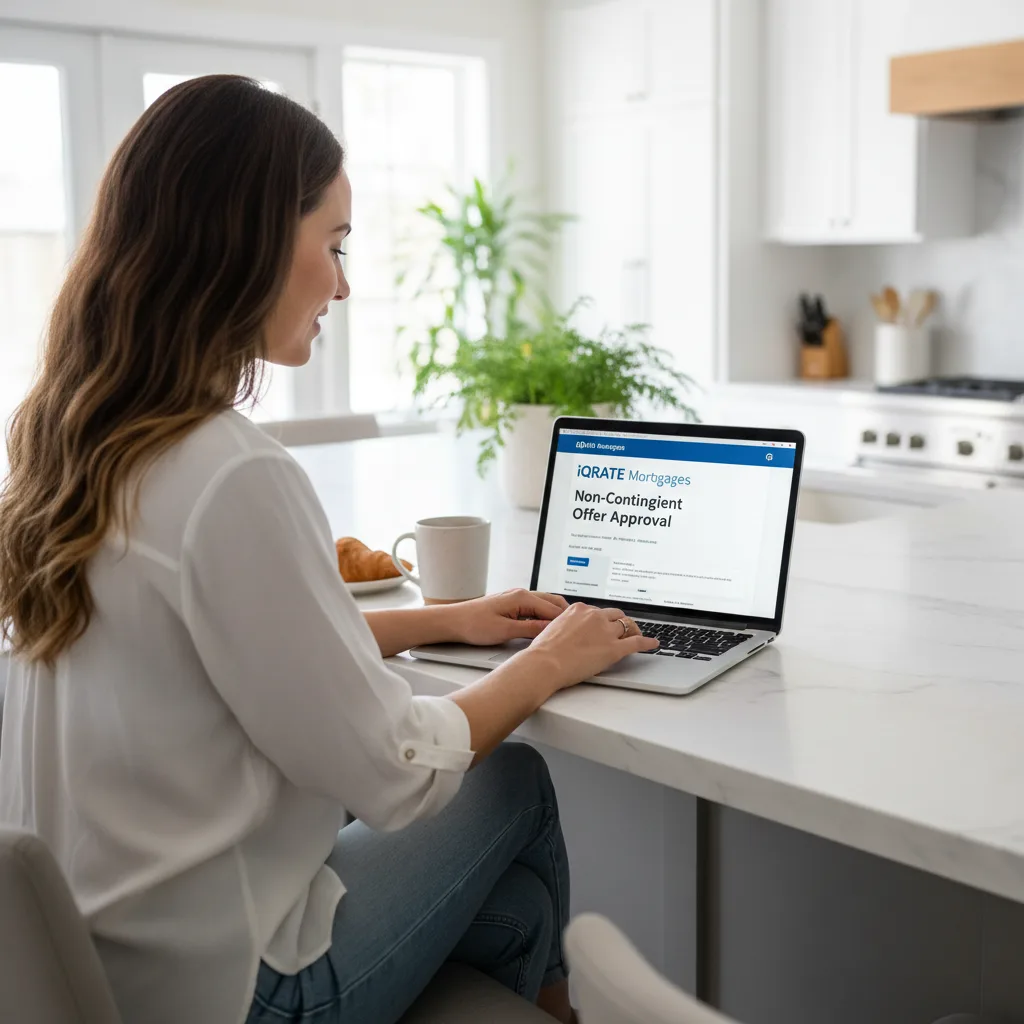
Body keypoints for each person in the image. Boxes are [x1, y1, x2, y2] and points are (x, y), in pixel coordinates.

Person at [0, 75, 657, 1024]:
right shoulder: (228, 472)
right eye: (334, 246)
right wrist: (549, 663)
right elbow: (396, 773)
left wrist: (445, 621)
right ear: (250, 240)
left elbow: (227, 654)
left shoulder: (73, 445)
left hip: (95, 968)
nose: (344, 285)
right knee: (515, 782)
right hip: (232, 994)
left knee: (512, 909)